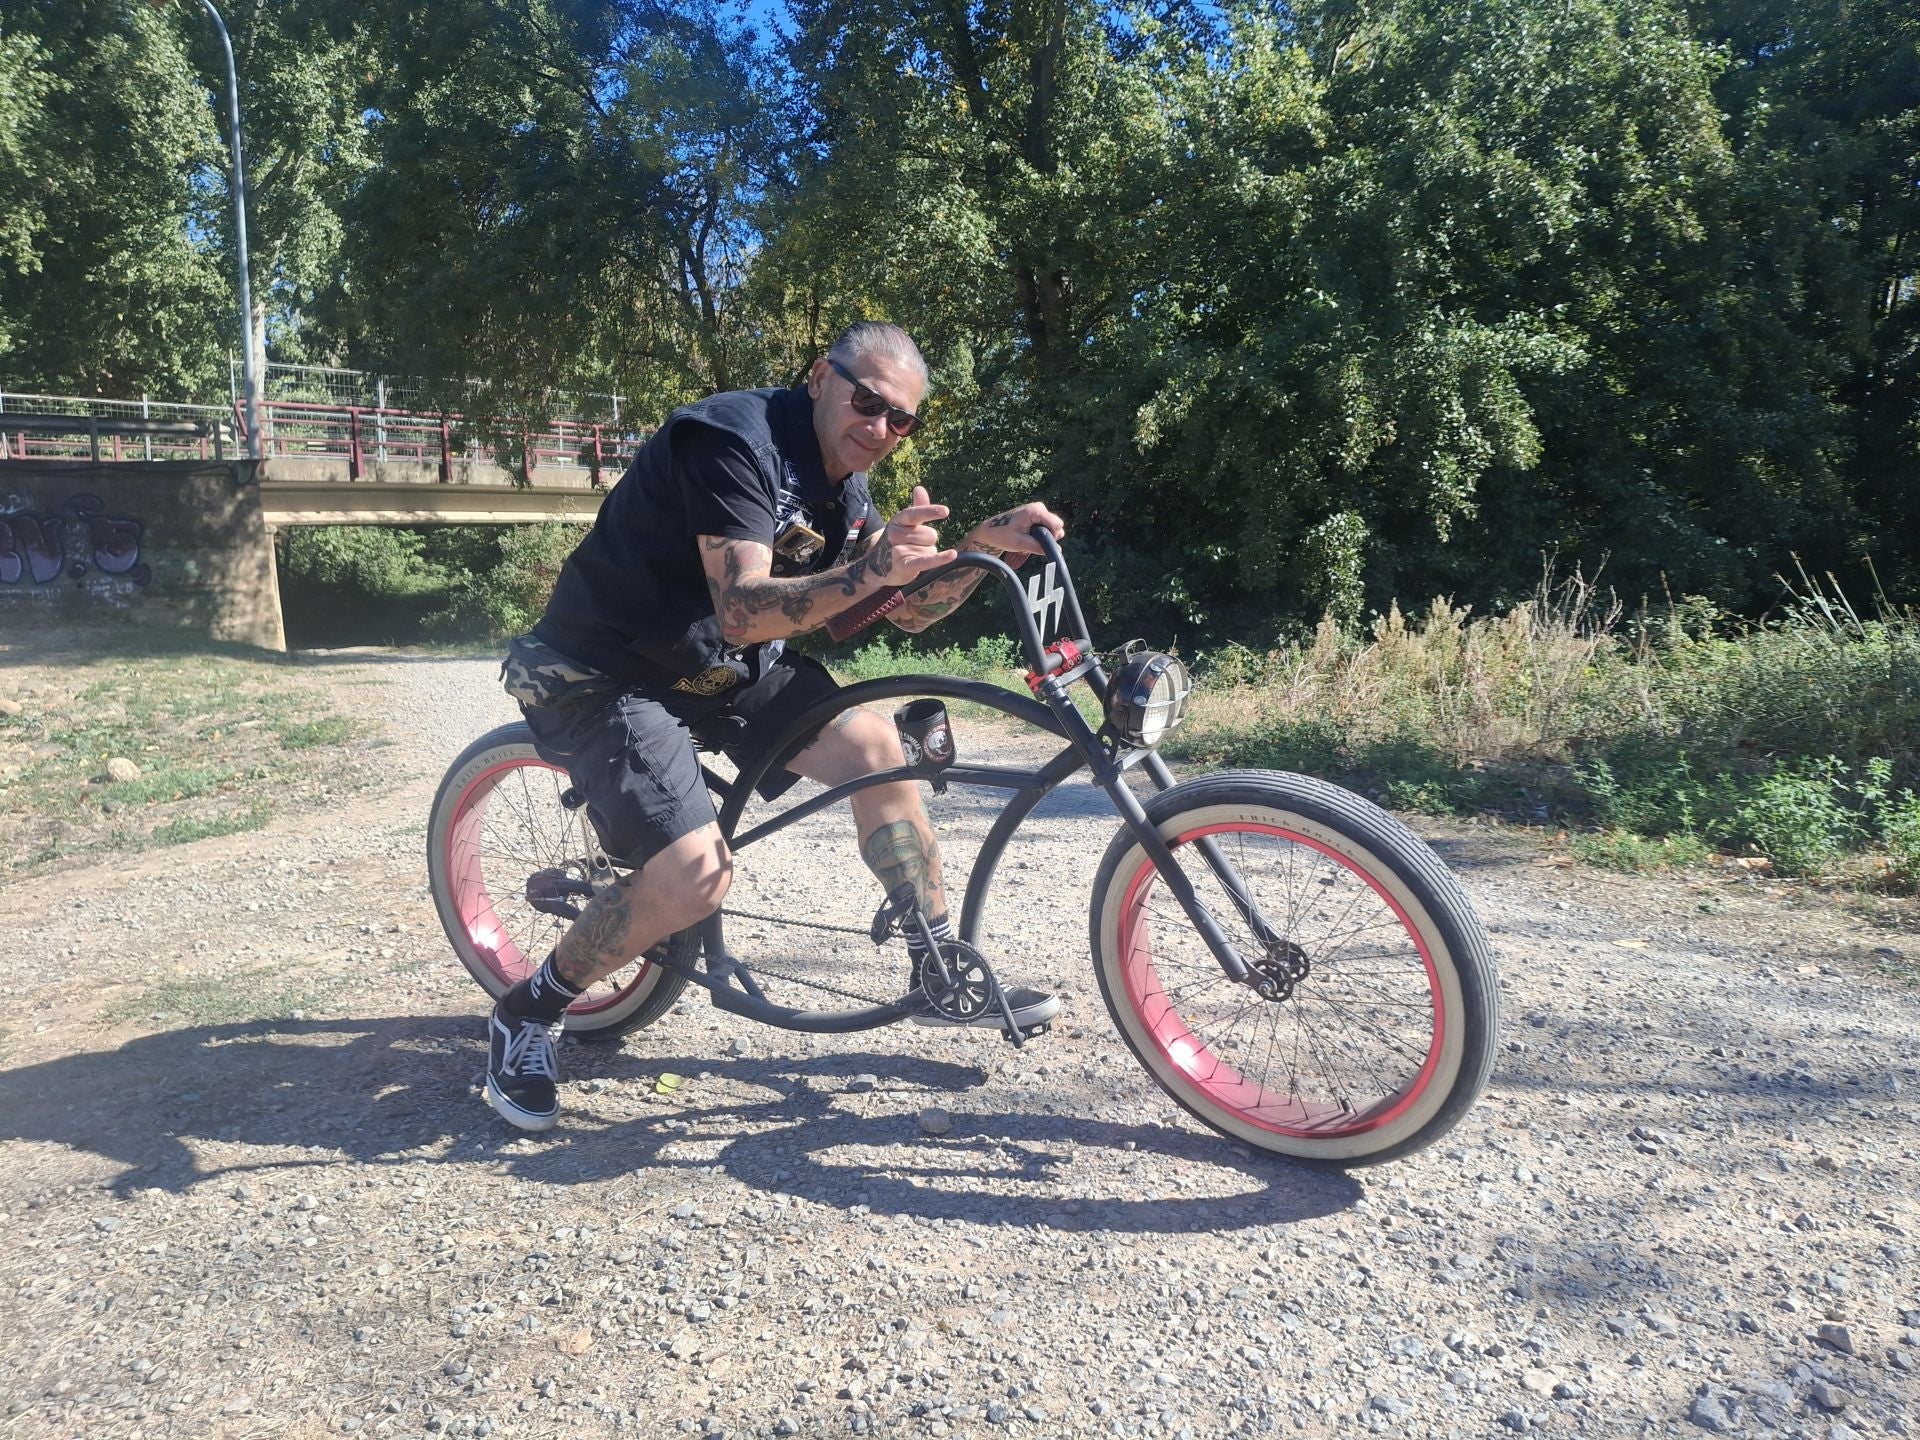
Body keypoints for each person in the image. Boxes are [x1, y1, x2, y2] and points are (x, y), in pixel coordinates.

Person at [486, 321, 1067, 1130]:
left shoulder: (845, 489)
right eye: (869, 402)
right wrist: (872, 567)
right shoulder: (732, 440)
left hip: (720, 668)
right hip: (609, 669)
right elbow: (743, 606)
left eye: (903, 420)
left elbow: (890, 612)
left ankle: (937, 968)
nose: (882, 428)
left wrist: (975, 547)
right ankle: (528, 1009)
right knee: (695, 880)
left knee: (875, 747)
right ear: (819, 377)